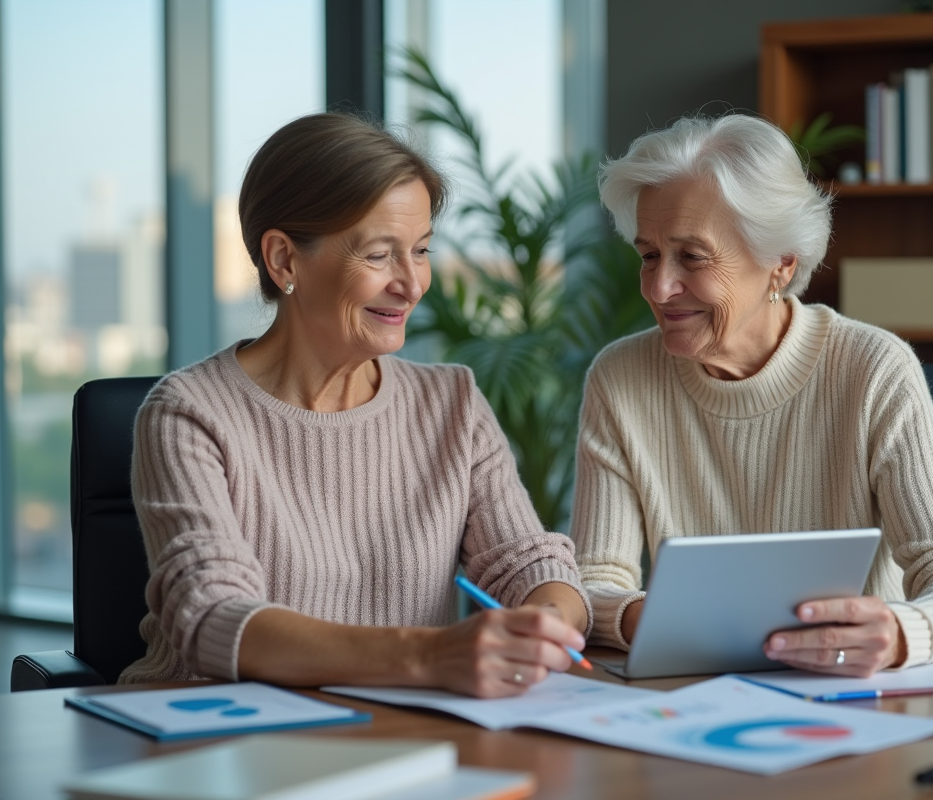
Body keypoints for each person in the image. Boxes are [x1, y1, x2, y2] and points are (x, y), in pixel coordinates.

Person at [120, 113, 590, 697]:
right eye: (378, 255)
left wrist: (546, 619)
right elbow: (214, 616)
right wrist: (431, 653)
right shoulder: (189, 413)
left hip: (404, 736)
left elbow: (528, 565)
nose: (412, 284)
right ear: (285, 260)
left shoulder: (453, 403)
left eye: (419, 251)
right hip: (221, 743)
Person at [570, 114, 933, 677]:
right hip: (689, 697)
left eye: (693, 257)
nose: (658, 287)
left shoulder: (873, 369)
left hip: (850, 694)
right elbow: (592, 581)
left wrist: (900, 633)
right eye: (649, 254)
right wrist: (639, 616)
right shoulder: (621, 377)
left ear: (780, 263)